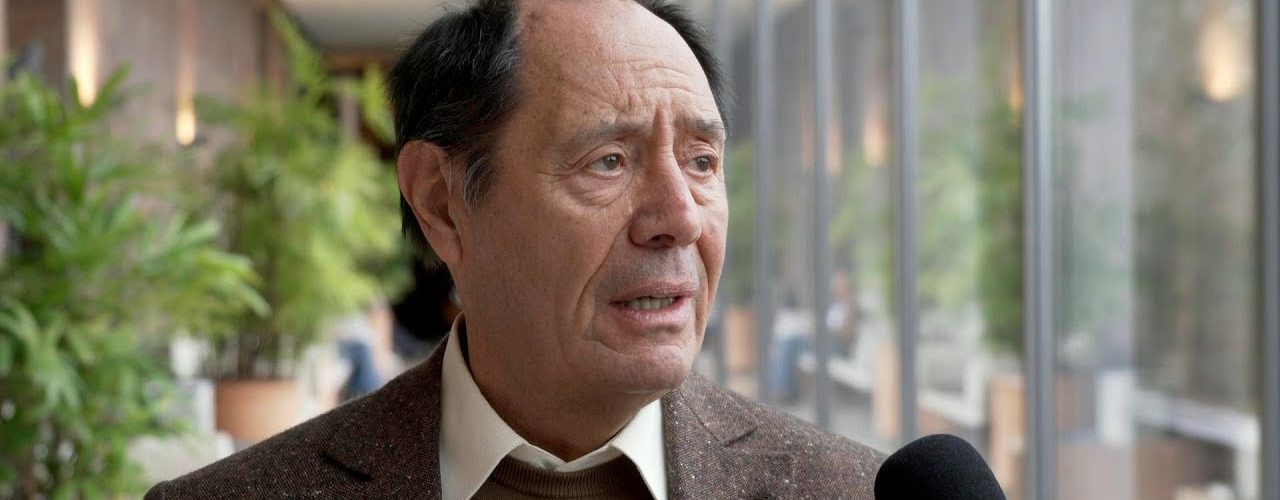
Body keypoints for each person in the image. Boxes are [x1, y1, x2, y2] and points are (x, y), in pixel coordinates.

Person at [146, 1, 884, 498]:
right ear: (442, 202)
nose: (680, 219)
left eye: (701, 161)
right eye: (609, 161)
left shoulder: (853, 489)